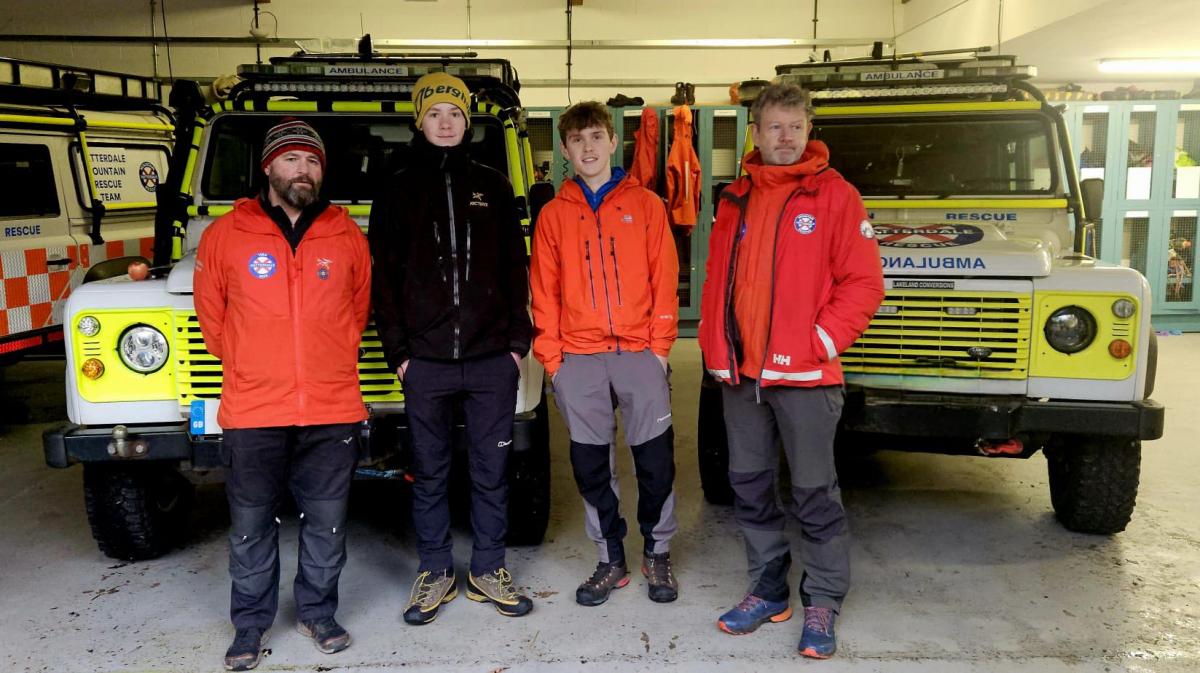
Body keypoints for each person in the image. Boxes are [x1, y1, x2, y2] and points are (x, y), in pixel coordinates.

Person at [698, 82, 884, 659]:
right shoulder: (735, 198)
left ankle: (823, 597)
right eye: (774, 127)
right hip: (742, 377)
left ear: (808, 132)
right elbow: (718, 280)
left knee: (813, 494)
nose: (784, 138)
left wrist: (820, 340)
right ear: (754, 132)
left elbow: (864, 284)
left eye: (794, 128)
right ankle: (768, 587)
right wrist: (714, 347)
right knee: (749, 487)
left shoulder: (836, 196)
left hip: (805, 377)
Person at [194, 118, 371, 671]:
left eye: (313, 161)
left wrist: (325, 359)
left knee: (327, 522)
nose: (304, 170)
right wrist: (256, 364)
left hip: (331, 406)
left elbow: (358, 315)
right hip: (253, 408)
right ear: (268, 167)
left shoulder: (346, 235)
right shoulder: (227, 234)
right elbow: (213, 320)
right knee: (249, 526)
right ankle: (249, 624)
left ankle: (318, 612)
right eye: (292, 160)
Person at [368, 72, 534, 625]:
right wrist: (400, 354)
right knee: (430, 469)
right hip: (426, 362)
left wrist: (515, 344)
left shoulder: (495, 184)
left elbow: (516, 268)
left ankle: (489, 568)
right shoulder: (395, 188)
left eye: (456, 114)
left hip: (492, 359)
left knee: (492, 469)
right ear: (420, 120)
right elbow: (383, 279)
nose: (446, 123)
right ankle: (435, 571)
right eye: (436, 113)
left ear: (468, 122)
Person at [530, 101, 681, 607]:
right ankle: (610, 558)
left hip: (639, 353)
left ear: (614, 142)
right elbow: (543, 290)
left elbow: (665, 279)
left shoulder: (648, 205)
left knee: (655, 461)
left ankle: (657, 554)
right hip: (578, 359)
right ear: (566, 150)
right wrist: (553, 360)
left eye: (597, 136)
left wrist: (659, 349)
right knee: (592, 466)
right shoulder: (553, 215)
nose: (588, 147)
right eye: (577, 140)